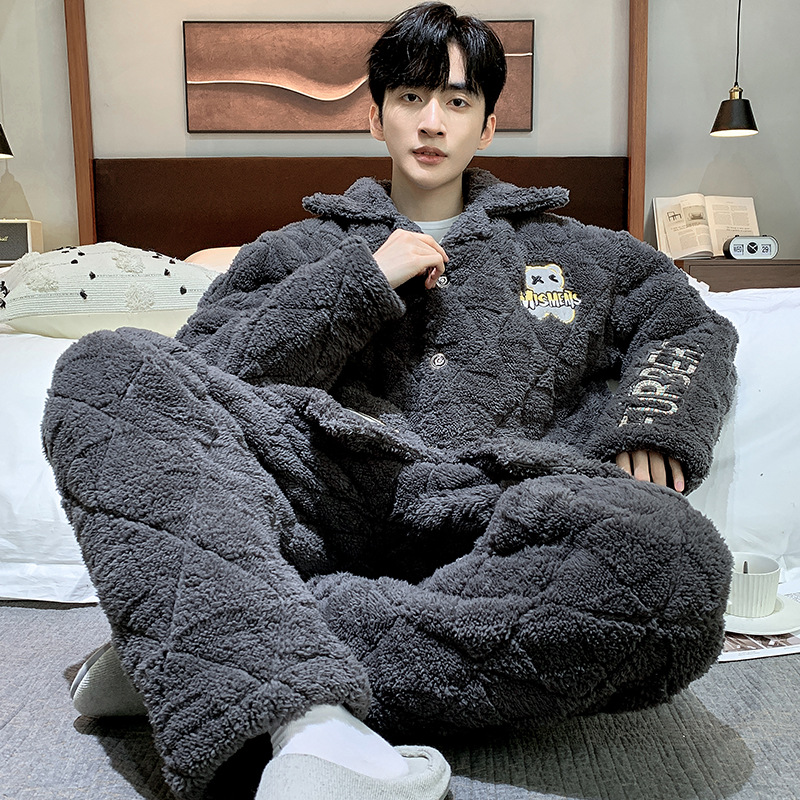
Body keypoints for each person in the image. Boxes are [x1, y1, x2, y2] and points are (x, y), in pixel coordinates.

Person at [44, 4, 738, 800]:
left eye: (456, 100)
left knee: (680, 568)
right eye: (410, 98)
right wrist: (362, 280)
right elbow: (198, 377)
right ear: (376, 117)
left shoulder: (582, 253)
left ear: (487, 124)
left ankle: (207, 644)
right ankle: (300, 712)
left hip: (503, 515)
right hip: (316, 495)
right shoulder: (294, 251)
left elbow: (688, 325)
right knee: (106, 368)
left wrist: (655, 421)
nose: (431, 121)